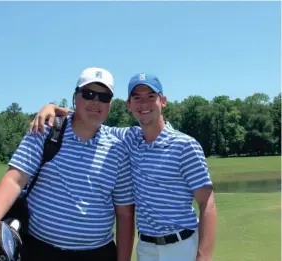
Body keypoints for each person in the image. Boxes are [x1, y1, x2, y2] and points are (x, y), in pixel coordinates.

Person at [29, 73, 218, 261]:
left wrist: (204, 256)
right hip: (146, 248)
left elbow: (207, 203)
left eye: (151, 97)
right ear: (129, 105)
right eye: (137, 98)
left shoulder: (185, 146)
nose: (144, 104)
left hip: (182, 246)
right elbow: (87, 117)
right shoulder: (129, 138)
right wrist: (52, 107)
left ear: (163, 101)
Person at [0, 67, 135, 261]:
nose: (96, 101)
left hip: (98, 253)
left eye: (104, 97)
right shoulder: (46, 130)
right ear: (75, 97)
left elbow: (124, 213)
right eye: (88, 94)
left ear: (110, 104)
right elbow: (14, 180)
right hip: (40, 250)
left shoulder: (117, 147)